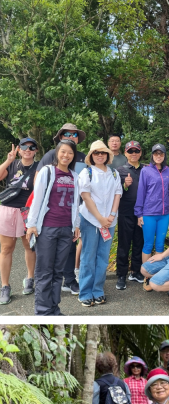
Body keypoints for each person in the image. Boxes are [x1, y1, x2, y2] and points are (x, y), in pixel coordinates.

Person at [24, 140, 80, 316]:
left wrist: (76, 225)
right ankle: (42, 311)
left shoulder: (74, 176)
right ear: (57, 153)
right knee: (44, 271)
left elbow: (76, 204)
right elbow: (37, 199)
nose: (66, 156)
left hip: (66, 228)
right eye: (63, 152)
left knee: (58, 272)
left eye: (70, 153)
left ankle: (54, 308)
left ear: (73, 156)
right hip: (47, 227)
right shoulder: (48, 171)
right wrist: (31, 224)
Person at [39, 124, 87, 297]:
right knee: (47, 257)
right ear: (59, 137)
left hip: (75, 209)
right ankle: (45, 296)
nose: (71, 136)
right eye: (67, 133)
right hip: (51, 214)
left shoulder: (82, 157)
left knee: (69, 249)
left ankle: (70, 280)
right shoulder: (51, 156)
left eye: (74, 134)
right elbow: (39, 182)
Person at [77, 140, 122, 307]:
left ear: (108, 155)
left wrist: (110, 216)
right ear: (91, 156)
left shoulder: (114, 173)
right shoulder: (86, 173)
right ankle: (85, 292)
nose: (100, 155)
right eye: (96, 153)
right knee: (88, 256)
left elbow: (117, 194)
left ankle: (98, 290)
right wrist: (100, 218)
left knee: (103, 257)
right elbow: (86, 197)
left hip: (109, 221)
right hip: (89, 220)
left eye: (103, 152)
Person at [0, 138, 39, 304]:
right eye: (24, 147)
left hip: (26, 211)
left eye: (31, 147)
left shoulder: (39, 168)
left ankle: (30, 278)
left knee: (29, 246)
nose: (28, 150)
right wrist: (8, 160)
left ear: (36, 151)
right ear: (19, 149)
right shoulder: (12, 164)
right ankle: (5, 286)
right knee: (6, 248)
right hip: (8, 209)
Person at [135, 143, 169, 287]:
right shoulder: (146, 171)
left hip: (164, 214)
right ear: (152, 155)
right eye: (156, 154)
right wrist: (139, 214)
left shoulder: (168, 170)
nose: (158, 156)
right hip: (149, 213)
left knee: (160, 245)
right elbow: (141, 192)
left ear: (164, 156)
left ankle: (158, 274)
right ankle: (147, 276)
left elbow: (167, 191)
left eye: (161, 154)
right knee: (148, 245)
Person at [115, 141, 146, 290]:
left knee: (139, 243)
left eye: (136, 151)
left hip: (142, 213)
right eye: (130, 151)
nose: (133, 153)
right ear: (126, 153)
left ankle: (135, 271)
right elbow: (114, 192)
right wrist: (124, 185)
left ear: (140, 153)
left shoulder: (146, 170)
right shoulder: (119, 171)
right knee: (124, 244)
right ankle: (121, 274)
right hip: (126, 212)